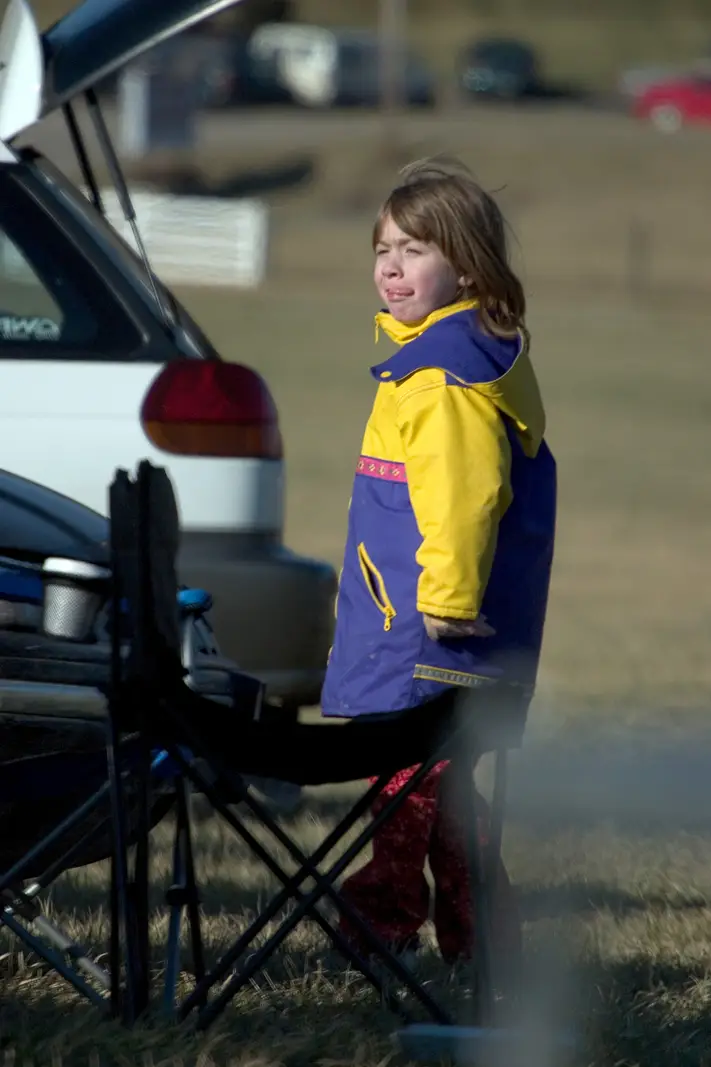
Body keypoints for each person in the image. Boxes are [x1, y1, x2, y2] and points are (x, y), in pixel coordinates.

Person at [320, 156, 557, 967]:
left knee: (407, 779)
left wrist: (447, 600)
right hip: (415, 621)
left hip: (425, 627)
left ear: (465, 265)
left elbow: (466, 496)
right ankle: (478, 942)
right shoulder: (427, 358)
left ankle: (382, 924)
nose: (391, 266)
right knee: (438, 784)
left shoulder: (441, 376)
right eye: (384, 247)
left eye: (416, 249)